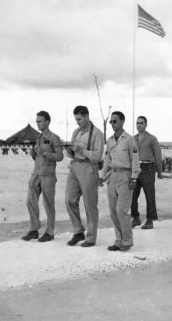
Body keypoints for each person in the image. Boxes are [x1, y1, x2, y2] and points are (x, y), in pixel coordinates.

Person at [64, 106, 105, 247]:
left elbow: (97, 157)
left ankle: (91, 238)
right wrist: (68, 149)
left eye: (80, 119)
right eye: (76, 119)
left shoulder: (97, 134)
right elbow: (72, 153)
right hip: (75, 167)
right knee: (69, 200)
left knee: (90, 204)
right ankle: (78, 231)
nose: (77, 122)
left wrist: (80, 149)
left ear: (87, 116)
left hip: (89, 168)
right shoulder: (75, 132)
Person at [22, 111, 65, 242]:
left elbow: (60, 156)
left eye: (40, 121)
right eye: (37, 121)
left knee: (48, 204)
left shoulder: (54, 138)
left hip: (48, 175)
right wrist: (34, 154)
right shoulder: (39, 138)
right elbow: (38, 157)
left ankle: (50, 232)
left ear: (47, 122)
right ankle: (34, 229)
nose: (38, 123)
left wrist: (45, 153)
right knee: (30, 201)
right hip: (36, 174)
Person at [101, 111, 141, 251]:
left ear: (122, 121)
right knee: (113, 212)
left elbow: (135, 160)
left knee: (121, 210)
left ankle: (127, 241)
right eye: (111, 121)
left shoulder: (129, 139)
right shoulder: (110, 140)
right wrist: (102, 175)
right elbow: (107, 159)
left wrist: (134, 178)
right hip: (112, 177)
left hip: (125, 177)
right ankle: (119, 240)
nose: (112, 124)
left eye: (115, 121)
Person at [131, 116, 163, 229]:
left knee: (149, 195)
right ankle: (135, 218)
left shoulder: (152, 138)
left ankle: (150, 220)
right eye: (137, 123)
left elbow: (158, 155)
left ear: (146, 124)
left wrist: (159, 171)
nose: (139, 125)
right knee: (132, 194)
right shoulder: (132, 139)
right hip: (135, 168)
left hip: (148, 168)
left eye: (141, 123)